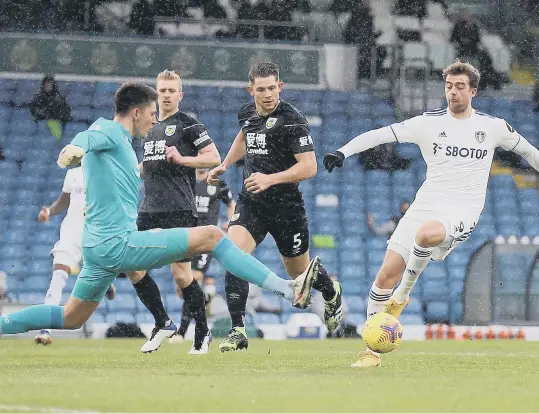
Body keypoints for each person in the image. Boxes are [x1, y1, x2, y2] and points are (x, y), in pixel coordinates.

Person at [0, 82, 320, 343]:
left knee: (70, 318)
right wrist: (75, 149)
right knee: (212, 235)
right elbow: (88, 138)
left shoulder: (123, 142)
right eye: (152, 113)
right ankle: (287, 287)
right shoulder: (110, 132)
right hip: (118, 245)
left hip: (97, 249)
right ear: (136, 112)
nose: (155, 120)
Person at [323, 61, 539, 367]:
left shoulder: (492, 127)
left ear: (473, 91)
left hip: (463, 210)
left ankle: (401, 299)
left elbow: (529, 151)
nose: (453, 92)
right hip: (426, 203)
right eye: (449, 86)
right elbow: (380, 134)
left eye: (460, 87)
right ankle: (371, 352)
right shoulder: (428, 122)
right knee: (385, 273)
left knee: (426, 236)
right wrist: (342, 151)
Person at [208, 61, 343, 352]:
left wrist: (271, 179)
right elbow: (245, 137)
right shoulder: (246, 113)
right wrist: (226, 163)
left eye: (272, 88)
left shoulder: (293, 120)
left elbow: (309, 167)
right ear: (251, 90)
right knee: (233, 256)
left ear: (280, 87)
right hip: (252, 204)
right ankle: (238, 330)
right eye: (261, 89)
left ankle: (331, 292)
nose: (268, 94)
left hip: (287, 209)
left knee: (299, 276)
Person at [125, 70, 221, 356]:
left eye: (171, 90)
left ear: (180, 94)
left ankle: (202, 334)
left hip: (178, 209)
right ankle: (162, 322)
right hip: (149, 209)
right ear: (155, 94)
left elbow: (214, 157)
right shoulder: (147, 127)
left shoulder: (189, 126)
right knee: (130, 263)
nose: (166, 95)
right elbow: (147, 166)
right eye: (162, 90)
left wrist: (183, 159)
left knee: (181, 276)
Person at [35, 167, 116, 345]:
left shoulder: (107, 170)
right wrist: (48, 211)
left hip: (95, 234)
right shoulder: (73, 174)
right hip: (70, 234)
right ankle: (45, 330)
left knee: (96, 274)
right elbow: (63, 202)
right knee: (57, 278)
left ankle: (105, 281)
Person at [170, 167, 235, 343]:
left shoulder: (218, 184)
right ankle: (205, 297)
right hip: (186, 237)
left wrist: (231, 223)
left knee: (194, 278)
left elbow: (231, 204)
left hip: (205, 241)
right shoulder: (186, 181)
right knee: (183, 287)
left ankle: (182, 332)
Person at [29, 75, 72, 140]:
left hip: (55, 123)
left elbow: (64, 112)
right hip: (42, 123)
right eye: (46, 84)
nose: (47, 85)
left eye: (49, 83)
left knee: (53, 124)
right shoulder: (38, 98)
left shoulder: (59, 98)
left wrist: (52, 113)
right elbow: (34, 111)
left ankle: (56, 142)